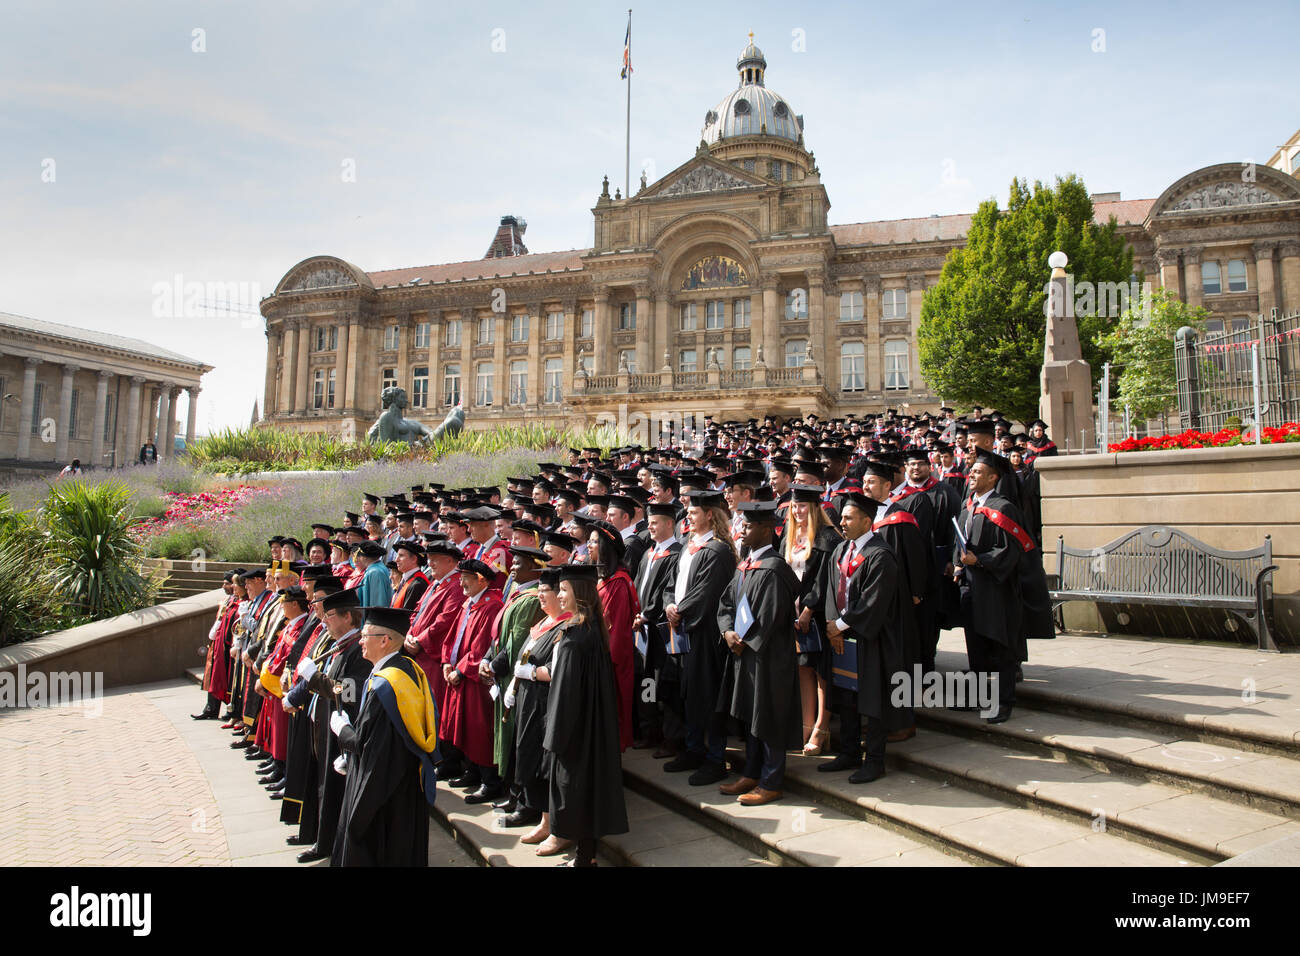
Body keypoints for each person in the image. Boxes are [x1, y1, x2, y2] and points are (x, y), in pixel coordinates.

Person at [331, 606, 438, 867]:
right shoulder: (409, 669)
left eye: (365, 635)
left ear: (384, 640)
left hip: (385, 790)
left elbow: (370, 749)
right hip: (406, 782)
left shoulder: (386, 686)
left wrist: (342, 729)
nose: (361, 641)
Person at [821, 492, 913, 784]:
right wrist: (832, 626)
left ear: (867, 521)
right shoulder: (840, 551)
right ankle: (848, 752)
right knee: (847, 696)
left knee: (873, 701)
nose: (842, 522)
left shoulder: (880, 555)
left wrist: (841, 625)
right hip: (844, 639)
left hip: (873, 639)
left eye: (849, 518)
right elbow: (829, 591)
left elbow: (874, 602)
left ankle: (875, 760)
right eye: (842, 517)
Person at [543, 564, 629, 866]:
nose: (559, 595)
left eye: (564, 590)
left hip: (575, 733)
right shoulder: (592, 630)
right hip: (593, 728)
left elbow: (564, 694)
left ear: (578, 593)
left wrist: (553, 737)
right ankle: (585, 857)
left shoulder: (574, 638)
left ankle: (583, 859)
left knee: (575, 794)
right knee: (589, 794)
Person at [717, 500, 802, 805]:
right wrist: (728, 631)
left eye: (749, 526)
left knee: (770, 717)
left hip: (770, 658)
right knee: (752, 717)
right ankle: (751, 772)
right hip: (746, 654)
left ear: (767, 530)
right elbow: (725, 604)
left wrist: (743, 639)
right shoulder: (745, 565)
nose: (742, 531)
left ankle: (771, 780)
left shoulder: (775, 569)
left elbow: (770, 617)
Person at [662, 489, 737, 786]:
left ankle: (716, 758)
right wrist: (670, 604)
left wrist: (680, 610)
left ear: (709, 514)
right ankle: (694, 749)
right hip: (683, 629)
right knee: (690, 695)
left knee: (709, 695)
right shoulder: (688, 545)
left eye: (693, 513)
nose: (688, 517)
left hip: (706, 634)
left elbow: (707, 593)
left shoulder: (718, 551)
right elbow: (672, 583)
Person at [954, 449, 1032, 724]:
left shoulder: (1003, 508)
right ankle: (977, 696)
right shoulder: (968, 505)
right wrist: (958, 564)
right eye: (971, 471)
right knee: (975, 647)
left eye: (977, 472)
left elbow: (1010, 551)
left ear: (993, 477)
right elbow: (960, 540)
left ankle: (1003, 701)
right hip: (971, 587)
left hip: (997, 590)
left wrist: (981, 560)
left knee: (1000, 646)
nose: (971, 475)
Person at [481, 545, 547, 818]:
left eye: (519, 563)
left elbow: (518, 642)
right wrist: (486, 659)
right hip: (503, 674)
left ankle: (524, 801)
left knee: (520, 740)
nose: (513, 567)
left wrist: (495, 665)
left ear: (534, 567)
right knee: (508, 739)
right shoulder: (517, 594)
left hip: (517, 680)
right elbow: (499, 635)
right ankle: (513, 794)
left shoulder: (532, 599)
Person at [509, 567, 571, 841]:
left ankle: (551, 823)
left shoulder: (567, 626)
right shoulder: (543, 623)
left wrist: (531, 673)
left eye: (545, 592)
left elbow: (558, 669)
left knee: (545, 763)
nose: (540, 597)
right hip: (528, 701)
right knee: (530, 757)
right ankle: (542, 818)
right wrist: (514, 683)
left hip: (547, 704)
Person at [439, 558, 505, 802]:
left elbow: (482, 647)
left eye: (466, 578)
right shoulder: (470, 603)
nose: (461, 583)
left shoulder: (492, 605)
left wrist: (461, 669)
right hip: (459, 674)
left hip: (475, 679)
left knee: (479, 730)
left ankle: (490, 781)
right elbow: (452, 636)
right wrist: (447, 661)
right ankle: (472, 771)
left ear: (481, 579)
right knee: (464, 728)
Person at [783, 484, 841, 755]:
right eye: (794, 506)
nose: (797, 511)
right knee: (802, 670)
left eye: (803, 506)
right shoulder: (790, 536)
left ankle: (822, 728)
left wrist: (808, 609)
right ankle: (806, 725)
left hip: (818, 616)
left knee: (822, 674)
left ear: (816, 508)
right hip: (793, 617)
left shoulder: (827, 538)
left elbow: (825, 580)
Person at [588, 520, 638, 753]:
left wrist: (605, 664)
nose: (589, 546)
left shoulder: (618, 582)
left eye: (595, 542)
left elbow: (616, 631)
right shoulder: (602, 578)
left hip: (612, 662)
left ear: (607, 547)